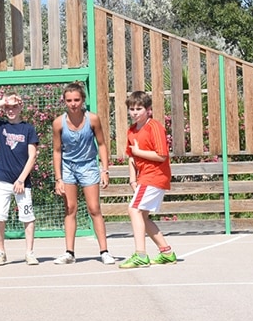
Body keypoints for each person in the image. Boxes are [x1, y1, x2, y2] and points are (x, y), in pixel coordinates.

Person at [51, 82, 116, 265]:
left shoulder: (92, 119)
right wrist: (59, 178)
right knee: (70, 208)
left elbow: (102, 144)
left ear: (83, 100)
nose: (73, 104)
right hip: (68, 167)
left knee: (94, 208)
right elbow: (57, 151)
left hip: (88, 165)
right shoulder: (58, 123)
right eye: (69, 100)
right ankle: (69, 252)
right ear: (64, 101)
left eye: (77, 100)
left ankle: (104, 251)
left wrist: (105, 169)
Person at [118, 90, 177, 268]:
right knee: (142, 216)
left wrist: (139, 152)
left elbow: (161, 155)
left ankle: (140, 255)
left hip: (155, 176)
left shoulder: (155, 127)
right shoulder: (131, 131)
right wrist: (132, 179)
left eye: (139, 108)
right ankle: (166, 252)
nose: (135, 112)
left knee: (134, 210)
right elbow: (131, 157)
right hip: (143, 177)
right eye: (132, 109)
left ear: (148, 110)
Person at [0, 93, 40, 265]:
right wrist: (3, 101)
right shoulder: (1, 125)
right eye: (8, 108)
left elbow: (32, 156)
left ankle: (29, 252)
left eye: (14, 107)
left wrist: (21, 180)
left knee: (28, 217)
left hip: (22, 182)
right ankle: (1, 252)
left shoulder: (28, 129)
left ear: (21, 107)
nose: (11, 110)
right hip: (3, 179)